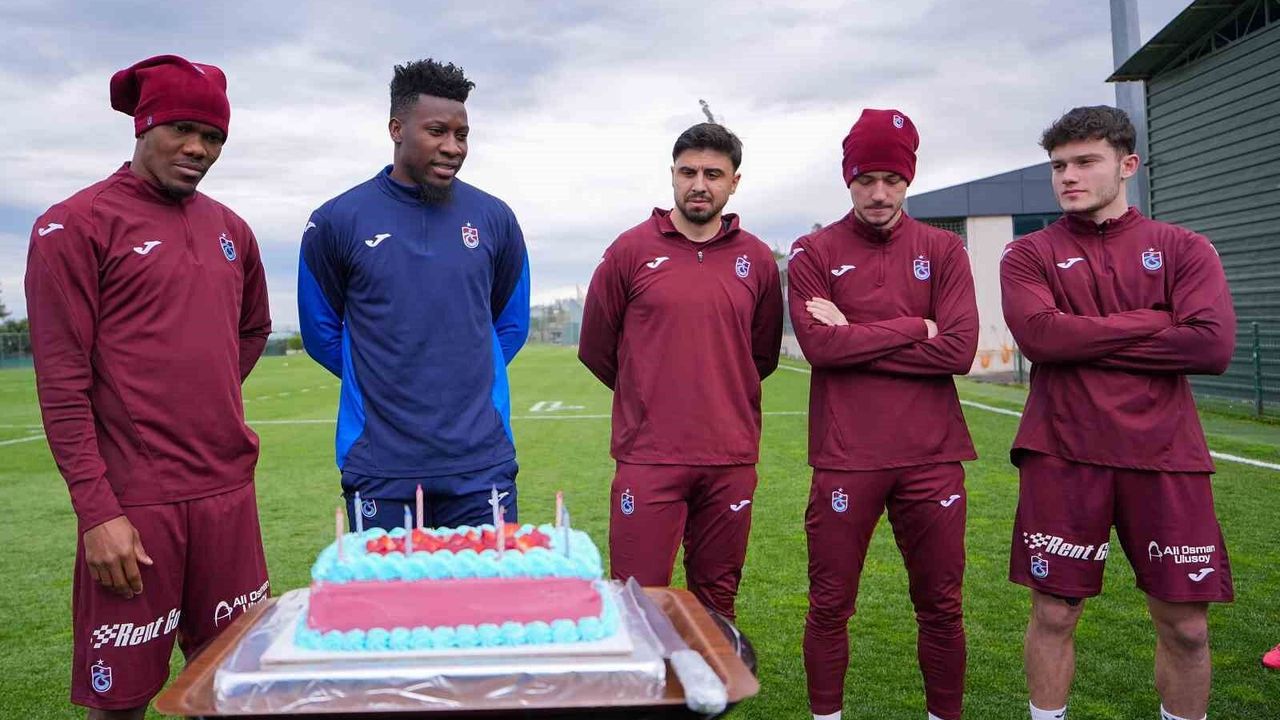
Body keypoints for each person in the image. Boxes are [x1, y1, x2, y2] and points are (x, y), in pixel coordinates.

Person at [25, 55, 272, 718]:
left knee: (234, 688)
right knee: (121, 701)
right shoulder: (73, 225)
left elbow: (252, 329)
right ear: (143, 126)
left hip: (227, 495)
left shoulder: (232, 230)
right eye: (182, 129)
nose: (198, 149)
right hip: (135, 506)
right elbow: (62, 383)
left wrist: (198, 399)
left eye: (213, 137)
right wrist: (97, 512)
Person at [1001, 105, 1236, 720]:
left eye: (1085, 162)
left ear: (1128, 165)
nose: (1068, 176)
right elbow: (1042, 338)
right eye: (1059, 166)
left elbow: (1210, 346)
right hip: (1062, 449)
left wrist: (1083, 335)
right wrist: (1156, 321)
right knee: (1055, 613)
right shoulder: (1028, 254)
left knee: (1186, 625)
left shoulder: (1183, 248)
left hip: (1166, 454)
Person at [787, 109, 978, 720]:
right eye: (865, 179)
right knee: (829, 605)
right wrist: (915, 326)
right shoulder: (813, 250)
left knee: (941, 607)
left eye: (892, 180)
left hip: (932, 455)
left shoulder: (943, 249)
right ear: (848, 179)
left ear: (908, 179)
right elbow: (820, 349)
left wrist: (855, 335)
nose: (878, 193)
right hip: (847, 456)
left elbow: (959, 351)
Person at [299, 59, 529, 532]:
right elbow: (321, 334)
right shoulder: (336, 220)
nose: (453, 147)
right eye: (437, 131)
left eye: (462, 135)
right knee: (387, 585)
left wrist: (461, 373)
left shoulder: (495, 219)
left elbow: (511, 324)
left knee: (487, 582)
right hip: (382, 464)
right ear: (396, 129)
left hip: (479, 461)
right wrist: (388, 377)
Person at [578, 122, 782, 621]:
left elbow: (761, 355)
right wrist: (649, 392)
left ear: (734, 182)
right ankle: (647, 678)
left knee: (717, 602)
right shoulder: (629, 250)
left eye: (713, 174)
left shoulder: (756, 258)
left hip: (729, 457)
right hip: (649, 456)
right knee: (638, 599)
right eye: (688, 172)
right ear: (672, 174)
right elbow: (597, 348)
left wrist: (717, 394)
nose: (699, 184)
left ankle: (707, 677)